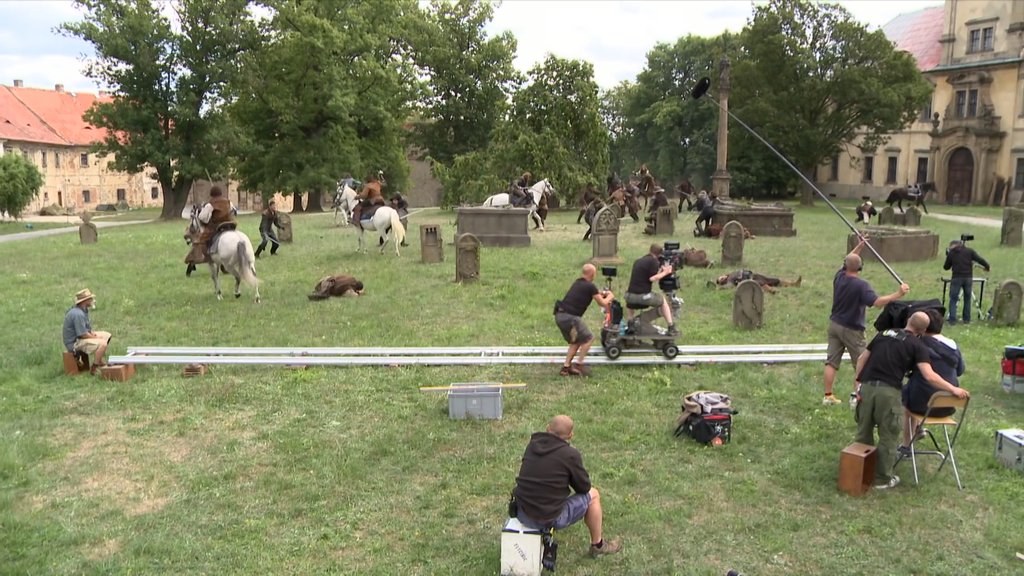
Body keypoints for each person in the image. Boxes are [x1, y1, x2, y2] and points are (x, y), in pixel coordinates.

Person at [853, 311, 968, 489]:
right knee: (888, 435)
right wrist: (954, 389)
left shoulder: (883, 334)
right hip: (888, 392)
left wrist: (857, 384)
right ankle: (882, 479)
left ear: (908, 321)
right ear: (922, 331)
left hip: (867, 387)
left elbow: (862, 358)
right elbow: (929, 376)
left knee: (864, 430)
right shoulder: (916, 344)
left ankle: (858, 470)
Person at [513, 415, 622, 558]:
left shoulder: (532, 445)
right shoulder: (570, 455)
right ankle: (598, 546)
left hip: (522, 512)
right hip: (547, 517)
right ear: (570, 436)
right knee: (593, 495)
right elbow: (583, 488)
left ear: (547, 428)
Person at [822, 236, 910, 405]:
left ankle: (827, 396)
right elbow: (877, 303)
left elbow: (848, 259)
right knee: (862, 363)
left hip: (834, 325)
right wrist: (898, 294)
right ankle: (857, 398)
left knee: (831, 361)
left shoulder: (839, 276)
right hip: (852, 329)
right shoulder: (862, 286)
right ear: (860, 267)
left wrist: (859, 247)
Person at [901, 310, 964, 448]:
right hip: (948, 403)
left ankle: (907, 446)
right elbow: (960, 371)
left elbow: (906, 369)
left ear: (923, 328)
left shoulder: (918, 344)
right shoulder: (953, 345)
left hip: (922, 405)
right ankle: (919, 428)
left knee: (907, 400)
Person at [554, 263, 614, 376]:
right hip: (570, 318)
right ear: (592, 274)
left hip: (560, 316)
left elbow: (591, 293)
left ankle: (566, 368)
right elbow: (602, 302)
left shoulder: (578, 282)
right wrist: (610, 296)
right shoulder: (590, 286)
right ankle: (579, 365)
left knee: (575, 341)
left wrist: (601, 293)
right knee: (588, 338)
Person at [625, 244, 678, 335]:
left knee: (631, 302)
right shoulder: (653, 261)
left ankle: (630, 324)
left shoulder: (638, 261)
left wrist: (660, 271)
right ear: (659, 255)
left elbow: (647, 274)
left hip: (629, 296)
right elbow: (652, 278)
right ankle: (671, 326)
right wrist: (665, 272)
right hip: (643, 297)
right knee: (662, 301)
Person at [62, 289, 112, 373]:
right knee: (103, 344)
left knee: (106, 335)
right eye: (90, 299)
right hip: (74, 343)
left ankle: (99, 360)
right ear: (85, 301)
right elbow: (82, 334)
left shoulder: (83, 310)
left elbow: (86, 328)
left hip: (80, 337)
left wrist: (92, 333)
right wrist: (96, 338)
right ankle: (94, 368)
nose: (92, 301)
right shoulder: (78, 314)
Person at [942, 238, 990, 325]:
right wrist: (987, 266)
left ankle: (952, 320)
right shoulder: (969, 251)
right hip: (968, 278)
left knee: (953, 299)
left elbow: (946, 267)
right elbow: (979, 259)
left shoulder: (952, 253)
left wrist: (948, 257)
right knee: (967, 299)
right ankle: (966, 319)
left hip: (956, 278)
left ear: (953, 245)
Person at [186, 185, 236, 265]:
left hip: (216, 226)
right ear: (220, 193)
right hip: (230, 224)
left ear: (211, 194)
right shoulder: (228, 202)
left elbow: (202, 217)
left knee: (200, 240)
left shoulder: (210, 204)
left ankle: (203, 256)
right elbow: (233, 211)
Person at [714, 270, 801, 293]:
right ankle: (771, 290)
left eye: (721, 277)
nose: (722, 278)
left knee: (773, 280)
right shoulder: (730, 280)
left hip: (754, 275)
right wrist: (719, 288)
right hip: (750, 280)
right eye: (721, 280)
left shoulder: (732, 273)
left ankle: (793, 284)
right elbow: (728, 286)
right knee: (761, 284)